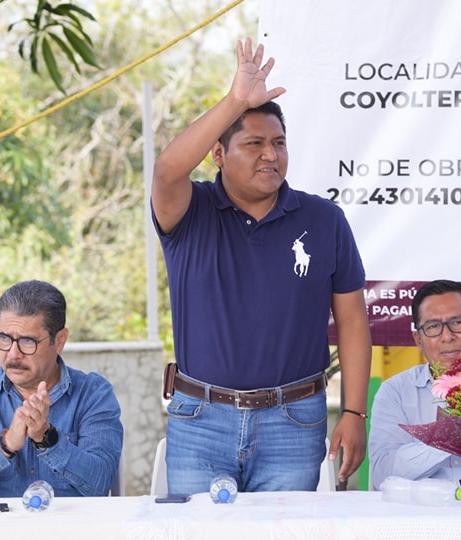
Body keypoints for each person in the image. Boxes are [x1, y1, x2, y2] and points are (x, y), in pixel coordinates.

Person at [151, 37, 371, 494]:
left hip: (293, 422)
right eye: (254, 144)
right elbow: (167, 169)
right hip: (200, 421)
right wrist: (235, 101)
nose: (270, 154)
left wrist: (354, 412)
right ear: (218, 154)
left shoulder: (324, 219)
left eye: (278, 143)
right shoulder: (190, 212)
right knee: (199, 529)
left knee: (285, 529)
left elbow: (352, 321)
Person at [0, 280, 123, 498]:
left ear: (59, 340)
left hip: (68, 521)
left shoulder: (93, 394)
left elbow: (100, 484)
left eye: (27, 341)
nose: (13, 354)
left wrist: (47, 438)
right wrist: (4, 446)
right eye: (4, 338)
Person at [368, 280, 461, 489]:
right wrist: (451, 437)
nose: (447, 337)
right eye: (433, 327)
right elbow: (382, 475)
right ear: (418, 339)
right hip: (420, 508)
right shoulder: (395, 392)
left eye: (458, 323)